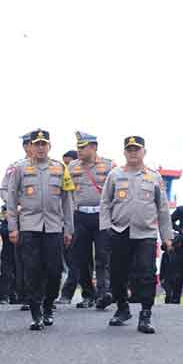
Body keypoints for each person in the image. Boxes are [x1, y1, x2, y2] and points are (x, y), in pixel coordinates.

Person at [100, 136, 173, 334]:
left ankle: (146, 314)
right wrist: (105, 227)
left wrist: (167, 236)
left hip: (146, 233)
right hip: (119, 231)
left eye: (137, 149)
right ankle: (122, 309)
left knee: (147, 274)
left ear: (144, 152)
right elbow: (105, 203)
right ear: (124, 152)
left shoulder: (154, 177)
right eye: (129, 149)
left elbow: (163, 209)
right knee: (117, 274)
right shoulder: (114, 175)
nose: (133, 153)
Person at [7, 129, 75, 330]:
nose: (40, 147)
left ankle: (48, 305)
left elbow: (67, 201)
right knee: (32, 270)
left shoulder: (60, 168)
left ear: (49, 146)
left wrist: (68, 229)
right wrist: (13, 227)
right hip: (29, 226)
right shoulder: (19, 169)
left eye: (43, 144)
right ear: (30, 147)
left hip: (54, 227)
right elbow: (11, 199)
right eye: (36, 144)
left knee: (54, 270)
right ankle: (36, 311)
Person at [67, 132, 115, 310]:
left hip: (101, 215)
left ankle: (104, 294)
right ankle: (88, 294)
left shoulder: (109, 165)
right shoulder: (72, 167)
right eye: (78, 147)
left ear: (94, 147)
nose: (79, 150)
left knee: (103, 256)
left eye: (83, 147)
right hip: (80, 216)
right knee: (82, 257)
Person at [0, 132, 33, 310]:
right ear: (26, 147)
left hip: (47, 220)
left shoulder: (54, 167)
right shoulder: (16, 167)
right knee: (23, 258)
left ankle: (45, 295)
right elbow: (4, 190)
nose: (35, 147)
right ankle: (26, 295)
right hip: (22, 217)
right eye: (31, 144)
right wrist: (14, 205)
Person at [56, 150, 80, 305]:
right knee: (61, 259)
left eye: (69, 163)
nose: (66, 166)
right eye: (64, 163)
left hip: (79, 218)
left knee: (75, 260)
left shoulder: (80, 175)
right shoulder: (59, 177)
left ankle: (68, 293)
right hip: (60, 221)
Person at [0, 205, 17, 303]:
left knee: (18, 276)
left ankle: (16, 297)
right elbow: (4, 232)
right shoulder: (1, 223)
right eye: (4, 213)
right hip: (6, 253)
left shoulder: (18, 223)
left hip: (17, 253)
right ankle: (3, 297)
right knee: (5, 275)